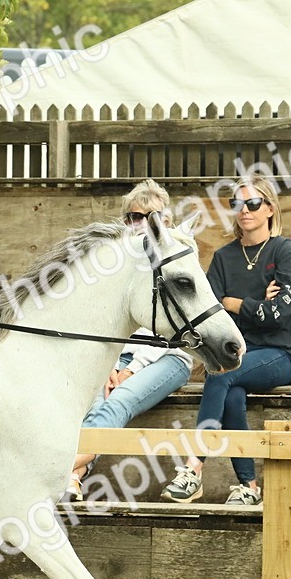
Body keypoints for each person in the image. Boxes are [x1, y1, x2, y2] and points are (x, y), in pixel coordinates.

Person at [160, 176, 291, 505]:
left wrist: (236, 302)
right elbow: (209, 312)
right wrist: (256, 302)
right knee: (231, 392)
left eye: (254, 203)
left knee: (223, 372)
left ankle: (193, 467)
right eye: (237, 204)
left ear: (270, 208)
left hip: (282, 354)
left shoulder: (284, 252)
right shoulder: (224, 257)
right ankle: (250, 487)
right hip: (242, 352)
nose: (245, 211)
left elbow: (279, 316)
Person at [62, 180, 194, 502]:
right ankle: (73, 477)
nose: (144, 224)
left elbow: (170, 327)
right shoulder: (114, 265)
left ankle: (58, 469)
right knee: (91, 399)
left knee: (118, 400)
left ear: (168, 222)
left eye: (154, 217)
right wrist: (107, 363)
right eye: (136, 217)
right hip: (115, 357)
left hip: (167, 356)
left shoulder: (173, 257)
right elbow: (103, 322)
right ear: (126, 222)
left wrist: (132, 368)